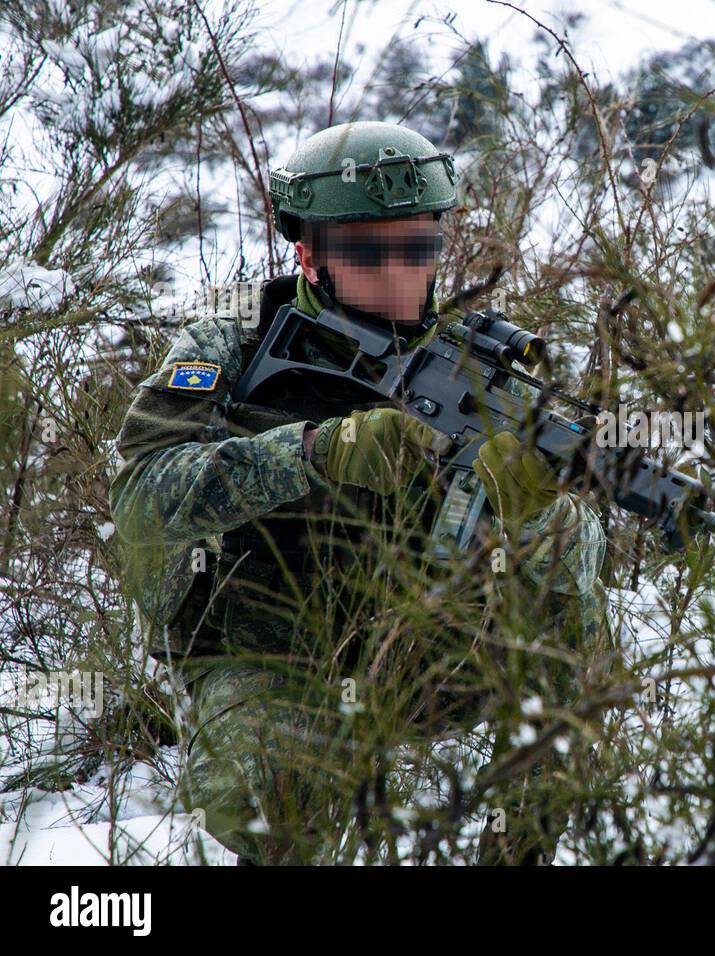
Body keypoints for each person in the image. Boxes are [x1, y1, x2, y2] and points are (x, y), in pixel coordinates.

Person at [109, 121, 608, 864]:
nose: (400, 273)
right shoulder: (233, 340)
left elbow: (578, 571)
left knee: (576, 642)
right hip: (273, 647)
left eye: (419, 248)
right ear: (308, 256)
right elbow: (142, 500)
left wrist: (536, 509)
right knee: (268, 811)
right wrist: (311, 453)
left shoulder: (478, 371)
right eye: (370, 252)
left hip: (426, 642)